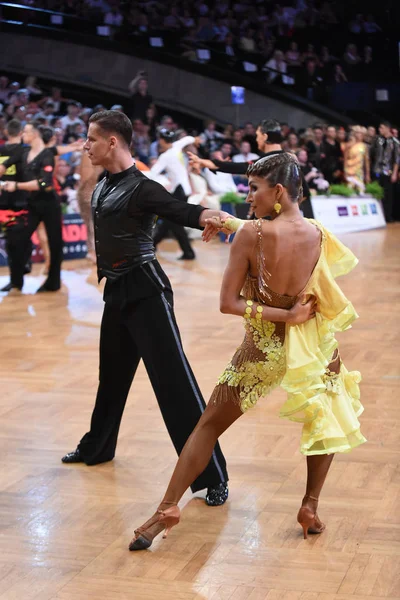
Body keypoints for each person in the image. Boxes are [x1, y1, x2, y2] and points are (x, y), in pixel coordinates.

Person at [129, 152, 366, 551]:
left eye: (254, 189)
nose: (247, 196)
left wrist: (283, 316)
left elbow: (229, 303)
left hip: (263, 349)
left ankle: (167, 508)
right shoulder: (319, 233)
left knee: (207, 426)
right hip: (315, 347)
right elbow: (278, 239)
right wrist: (292, 315)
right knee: (325, 419)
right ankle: (309, 506)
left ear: (277, 191)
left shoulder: (252, 235)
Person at [61, 110, 231, 507]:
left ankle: (212, 475)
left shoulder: (142, 186)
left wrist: (212, 216)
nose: (85, 145)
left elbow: (182, 211)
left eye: (91, 139)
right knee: (112, 378)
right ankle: (97, 447)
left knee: (175, 385)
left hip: (148, 294)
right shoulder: (103, 183)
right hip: (117, 292)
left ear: (113, 143)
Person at [188, 119, 313, 218]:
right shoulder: (290, 159)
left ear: (265, 136)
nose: (256, 139)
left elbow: (238, 167)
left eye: (258, 135)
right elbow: (305, 193)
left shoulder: (267, 162)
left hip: (267, 224)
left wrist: (203, 162)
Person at [0, 121, 63, 292]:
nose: (22, 134)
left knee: (55, 242)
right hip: (32, 205)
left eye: (25, 132)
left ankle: (53, 282)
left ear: (34, 134)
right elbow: (5, 165)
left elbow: (45, 184)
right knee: (16, 239)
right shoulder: (24, 152)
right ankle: (16, 281)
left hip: (49, 204)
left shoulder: (46, 155)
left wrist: (17, 186)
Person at [151, 129, 200, 260]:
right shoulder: (177, 146)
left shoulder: (165, 156)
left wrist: (164, 182)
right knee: (170, 220)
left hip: (179, 191)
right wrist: (195, 139)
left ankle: (188, 252)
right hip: (184, 190)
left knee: (173, 222)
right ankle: (153, 244)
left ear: (161, 140)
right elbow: (188, 138)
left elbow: (152, 174)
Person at [370, 121, 399, 222]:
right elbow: (371, 154)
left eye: (381, 128)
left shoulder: (395, 142)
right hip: (376, 170)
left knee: (388, 195)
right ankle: (377, 216)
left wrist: (395, 173)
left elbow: (397, 160)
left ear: (387, 128)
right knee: (376, 192)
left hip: (388, 171)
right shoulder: (377, 140)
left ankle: (387, 216)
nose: (380, 130)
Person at [344, 127, 370, 192]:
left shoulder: (364, 146)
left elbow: (366, 161)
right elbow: (345, 159)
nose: (360, 135)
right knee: (349, 190)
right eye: (358, 133)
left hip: (359, 172)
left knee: (361, 190)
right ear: (354, 134)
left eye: (362, 134)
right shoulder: (349, 145)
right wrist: (345, 171)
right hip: (350, 171)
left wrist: (367, 174)